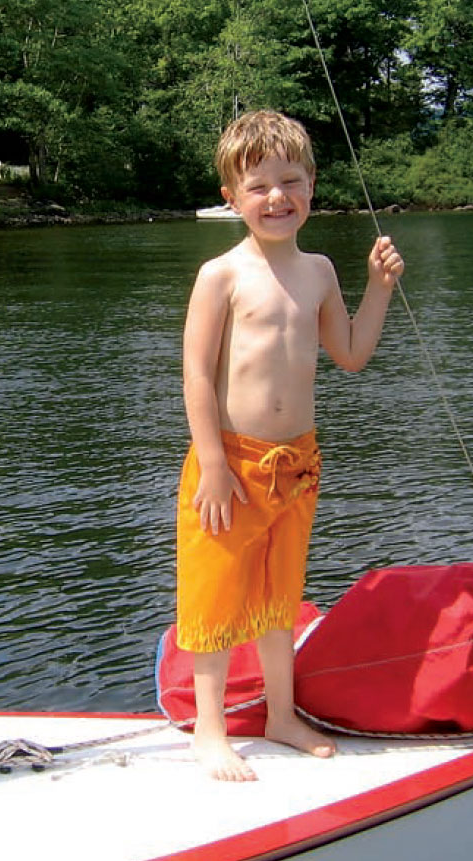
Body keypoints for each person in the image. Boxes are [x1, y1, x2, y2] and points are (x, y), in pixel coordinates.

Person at [176, 110, 404, 781]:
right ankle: (211, 730)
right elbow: (194, 372)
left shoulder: (321, 272)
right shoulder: (220, 275)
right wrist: (213, 466)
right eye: (259, 186)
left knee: (280, 595)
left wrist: (380, 288)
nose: (277, 197)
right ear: (231, 198)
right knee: (214, 594)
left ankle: (280, 714)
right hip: (231, 464)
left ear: (312, 186)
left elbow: (352, 353)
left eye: (291, 181)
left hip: (297, 463)